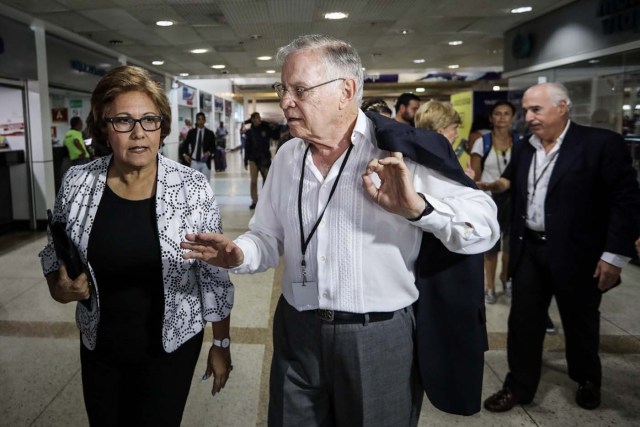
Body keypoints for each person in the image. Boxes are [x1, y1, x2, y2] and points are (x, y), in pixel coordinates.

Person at [181, 34, 499, 426]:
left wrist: (419, 210)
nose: (285, 101)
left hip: (376, 337)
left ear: (346, 90)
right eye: (283, 89)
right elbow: (267, 235)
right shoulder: (286, 157)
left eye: (299, 89)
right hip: (296, 331)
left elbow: (484, 226)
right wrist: (240, 253)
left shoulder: (402, 152)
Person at [39, 65, 234, 426]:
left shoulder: (192, 188)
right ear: (104, 128)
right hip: (100, 345)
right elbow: (54, 251)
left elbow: (213, 276)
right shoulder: (78, 182)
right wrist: (59, 288)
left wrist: (221, 344)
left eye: (149, 120)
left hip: (171, 348)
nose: (139, 133)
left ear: (162, 126)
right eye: (123, 121)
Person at [480, 82, 640, 413]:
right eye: (525, 110)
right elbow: (510, 180)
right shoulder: (526, 147)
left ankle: (587, 379)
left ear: (563, 107)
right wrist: (485, 185)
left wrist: (614, 256)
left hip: (579, 254)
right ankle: (518, 386)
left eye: (535, 109)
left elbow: (625, 201)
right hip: (530, 252)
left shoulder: (599, 145)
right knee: (523, 323)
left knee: (580, 322)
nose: (528, 117)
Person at [469, 101, 518, 303]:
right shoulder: (483, 142)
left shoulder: (520, 142)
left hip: (512, 198)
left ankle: (505, 278)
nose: (502, 118)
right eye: (497, 114)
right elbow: (475, 176)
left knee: (510, 246)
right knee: (491, 247)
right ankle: (489, 286)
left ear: (513, 118)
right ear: (491, 117)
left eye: (507, 114)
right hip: (489, 200)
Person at [414, 99, 474, 179]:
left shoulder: (412, 157)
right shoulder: (441, 164)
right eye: (454, 128)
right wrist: (466, 182)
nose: (457, 135)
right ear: (440, 131)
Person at [243, 112, 280, 209]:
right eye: (257, 118)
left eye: (259, 117)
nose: (259, 119)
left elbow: (276, 136)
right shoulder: (249, 132)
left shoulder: (266, 129)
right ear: (253, 120)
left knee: (267, 181)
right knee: (253, 181)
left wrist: (274, 126)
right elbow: (247, 147)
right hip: (253, 159)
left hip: (264, 159)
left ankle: (266, 200)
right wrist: (245, 160)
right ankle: (254, 201)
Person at [182, 112, 215, 180]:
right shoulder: (191, 132)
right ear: (196, 120)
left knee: (205, 185)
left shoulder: (210, 133)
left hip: (205, 163)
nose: (201, 121)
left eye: (202, 119)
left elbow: (214, 147)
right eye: (199, 119)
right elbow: (185, 144)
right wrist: (185, 154)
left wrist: (209, 152)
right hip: (194, 162)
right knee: (194, 185)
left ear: (205, 120)